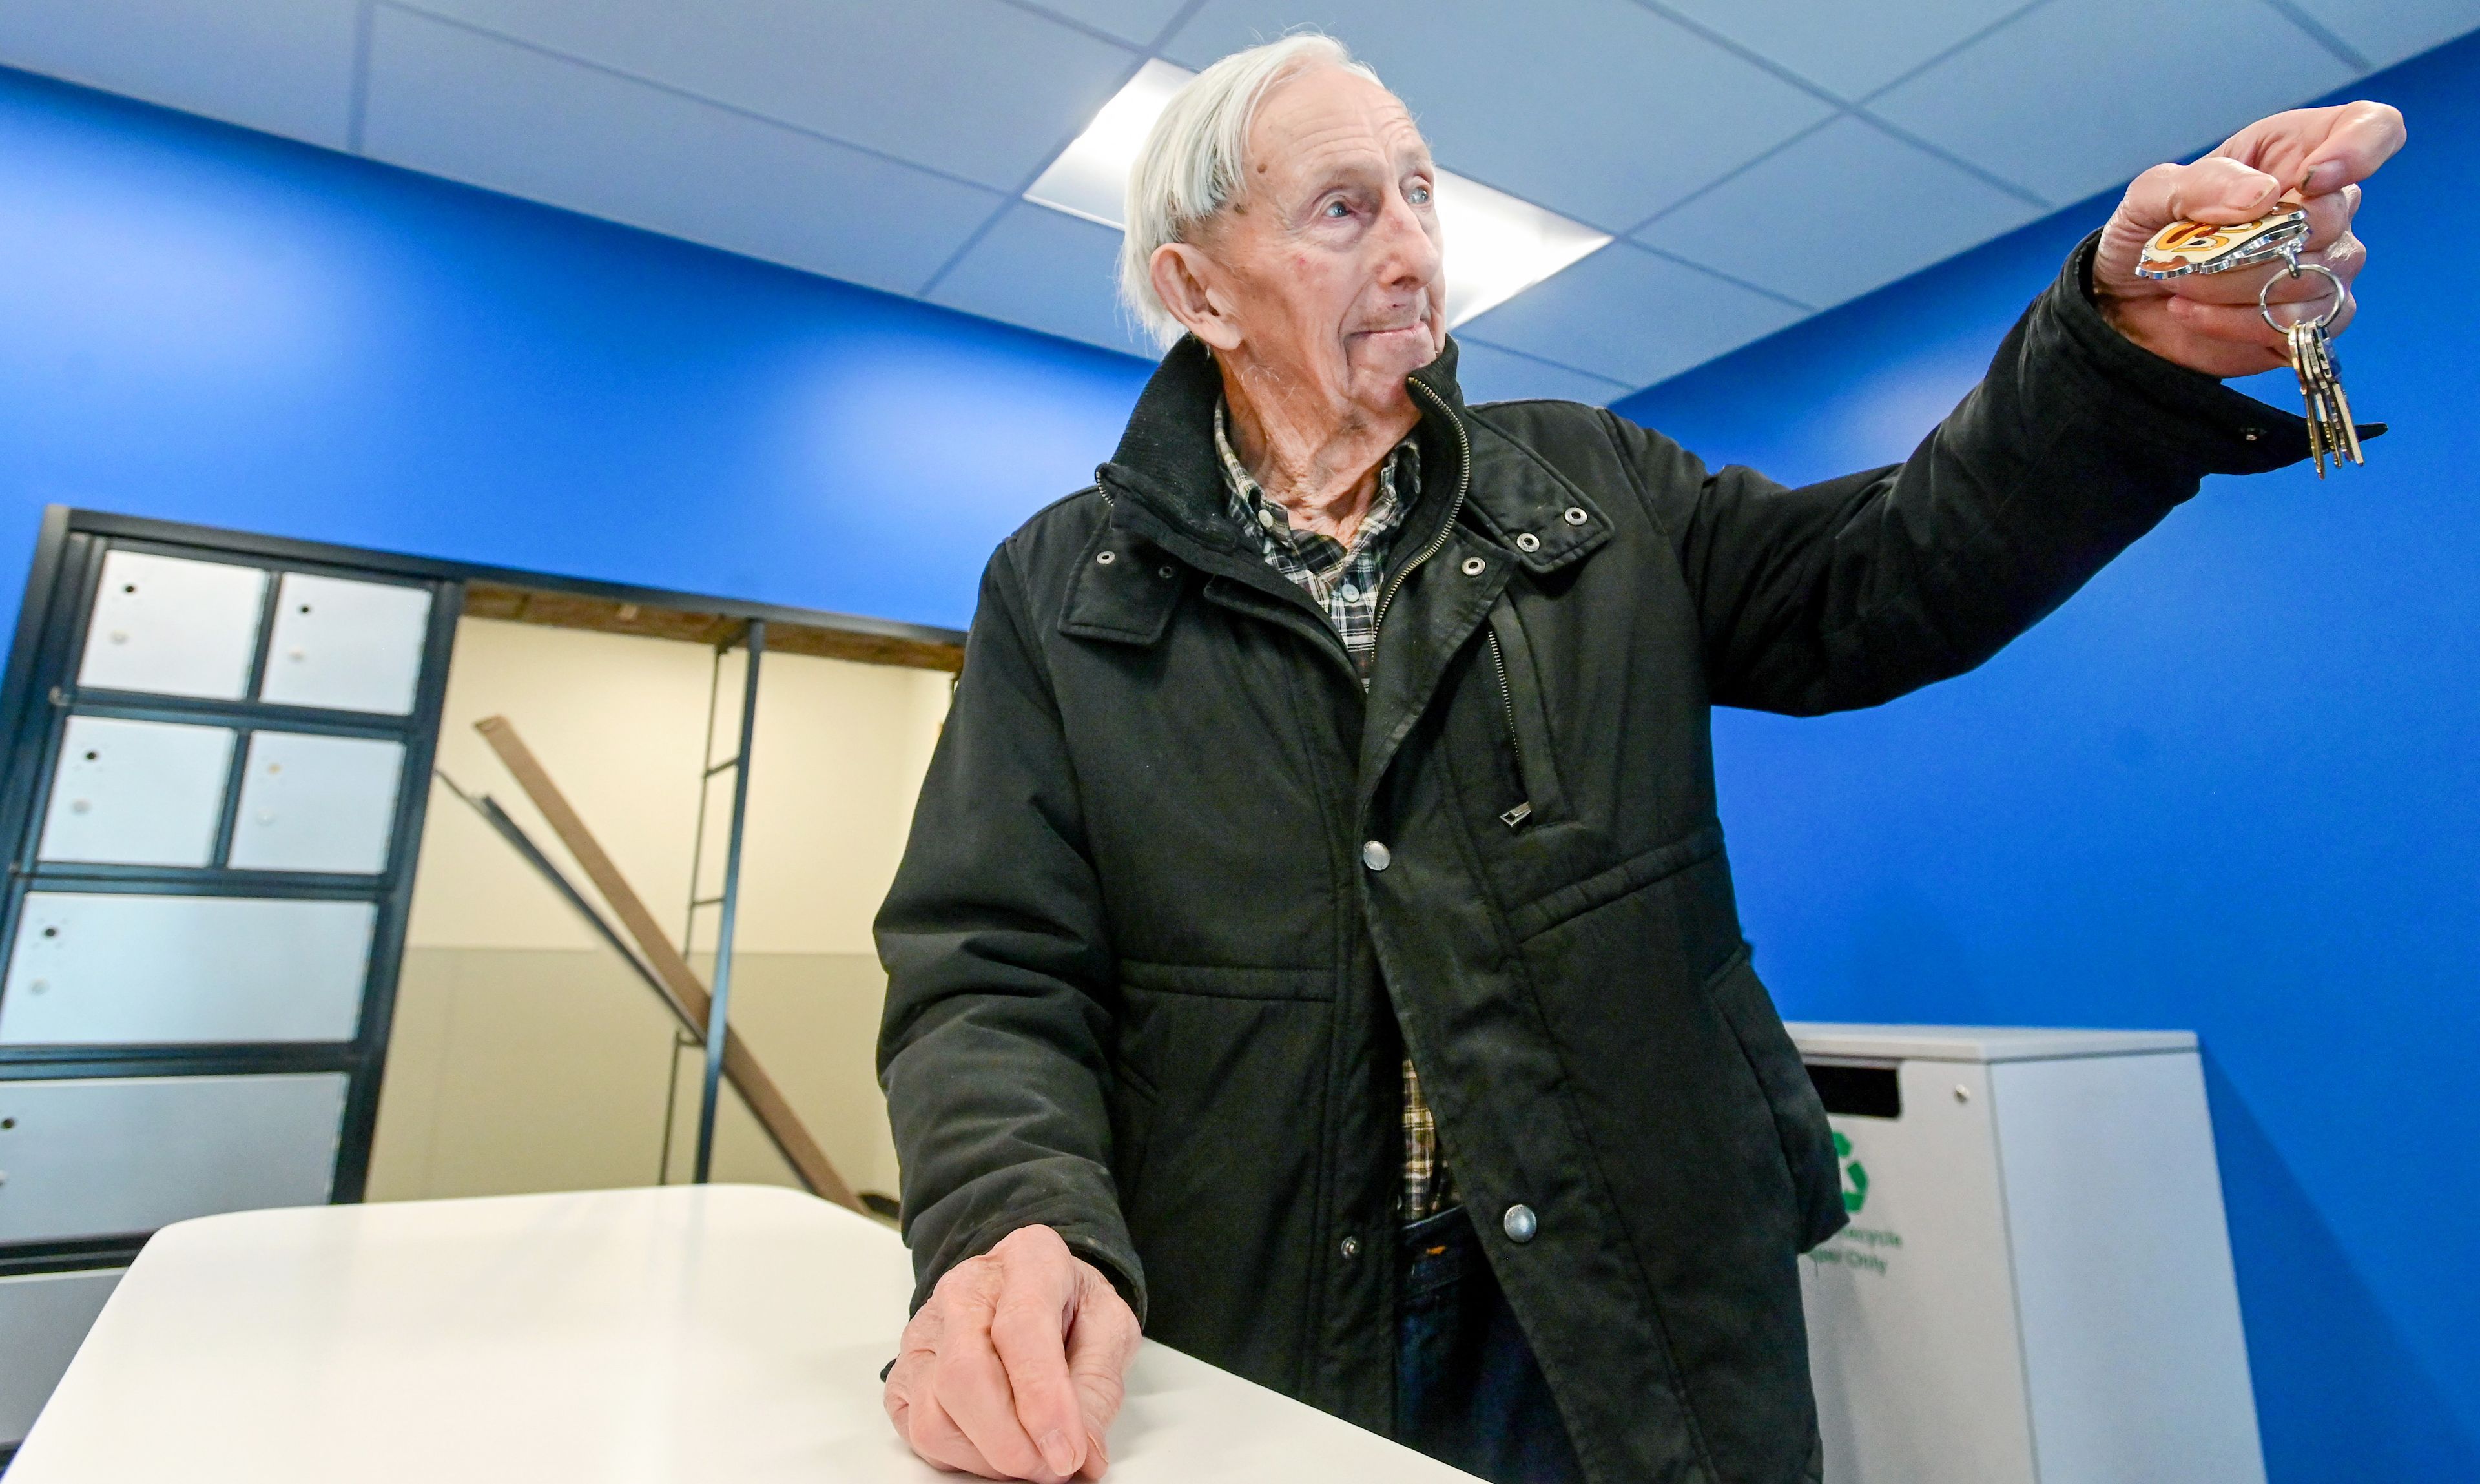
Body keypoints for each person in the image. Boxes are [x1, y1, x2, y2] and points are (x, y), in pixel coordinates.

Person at [873, 32, 2402, 1484]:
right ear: (1197, 288)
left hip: (1628, 1311)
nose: (1413, 248)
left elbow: (1881, 582)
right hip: (1263, 1323)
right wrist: (1013, 1217)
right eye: (1344, 208)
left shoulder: (1593, 484)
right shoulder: (1062, 591)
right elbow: (990, 968)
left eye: (1419, 192)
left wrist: (2115, 351)